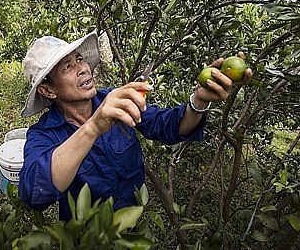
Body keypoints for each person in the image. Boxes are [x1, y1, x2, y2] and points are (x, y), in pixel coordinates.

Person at [18, 31, 252, 220]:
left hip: (134, 223)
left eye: (79, 59)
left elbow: (167, 126)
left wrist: (199, 101)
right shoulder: (43, 134)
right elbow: (35, 194)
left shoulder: (115, 100)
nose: (83, 68)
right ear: (48, 90)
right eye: (67, 67)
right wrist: (93, 127)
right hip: (89, 237)